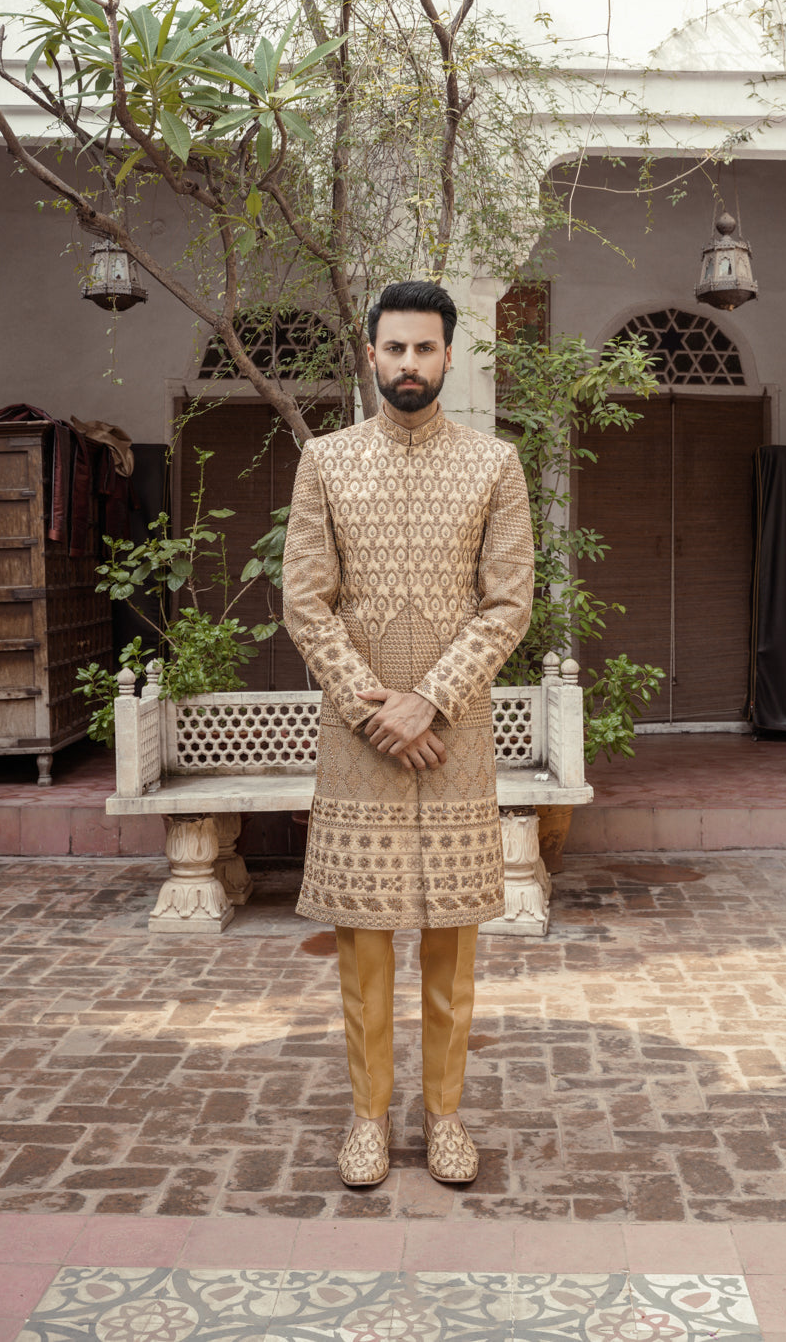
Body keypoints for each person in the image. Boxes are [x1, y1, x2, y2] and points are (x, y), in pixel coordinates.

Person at [281, 279, 534, 1187]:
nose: (409, 365)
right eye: (394, 349)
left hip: (453, 736)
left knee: (451, 945)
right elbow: (305, 603)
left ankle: (446, 1116)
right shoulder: (327, 461)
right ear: (371, 355)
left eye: (424, 349)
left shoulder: (493, 465)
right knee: (363, 948)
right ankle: (365, 1119)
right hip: (359, 744)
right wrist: (374, 707)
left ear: (449, 355)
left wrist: (428, 699)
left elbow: (507, 604)